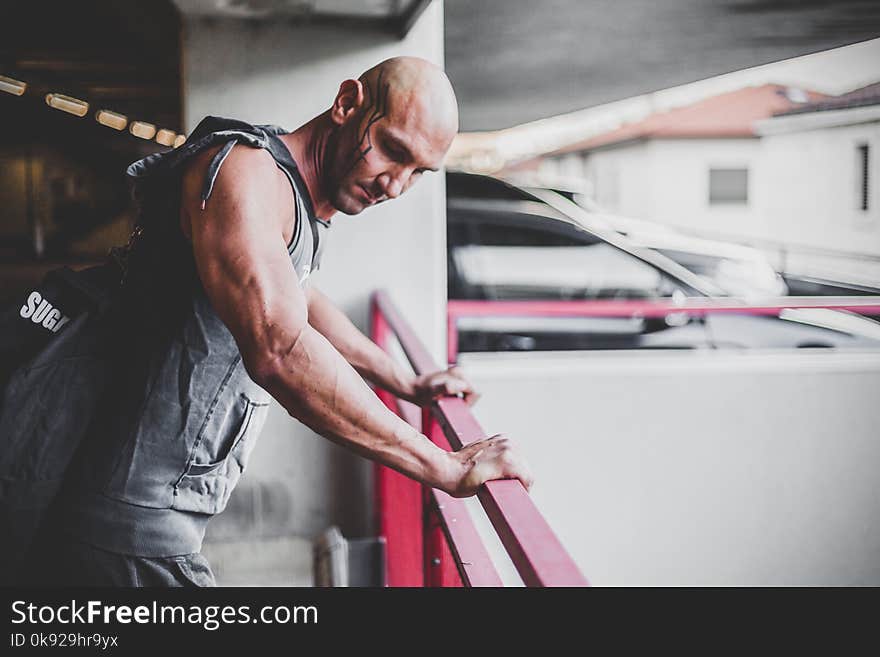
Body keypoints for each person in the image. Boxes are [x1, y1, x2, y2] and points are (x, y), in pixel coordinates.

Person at [21, 56, 533, 586]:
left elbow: (298, 302)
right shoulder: (246, 173)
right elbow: (280, 347)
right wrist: (444, 467)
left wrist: (404, 381)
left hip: (147, 519)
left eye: (417, 172)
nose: (396, 186)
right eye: (393, 151)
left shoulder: (291, 194)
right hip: (126, 522)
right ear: (347, 102)